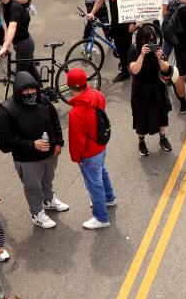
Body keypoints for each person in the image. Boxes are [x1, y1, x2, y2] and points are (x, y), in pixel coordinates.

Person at [0, 72, 67, 229]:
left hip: (49, 153)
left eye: (32, 91)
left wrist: (58, 142)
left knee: (48, 179)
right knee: (33, 187)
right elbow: (6, 139)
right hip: (26, 159)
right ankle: (37, 213)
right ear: (17, 92)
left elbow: (55, 121)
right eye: (25, 93)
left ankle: (49, 199)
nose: (29, 95)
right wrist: (32, 144)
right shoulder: (7, 110)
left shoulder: (43, 100)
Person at [65, 67, 117, 230]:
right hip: (101, 145)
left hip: (88, 153)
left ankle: (101, 217)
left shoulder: (76, 113)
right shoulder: (97, 95)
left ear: (71, 87)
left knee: (94, 185)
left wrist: (76, 158)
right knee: (102, 172)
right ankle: (109, 198)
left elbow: (77, 141)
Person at [128, 23, 173, 156]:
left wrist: (160, 58)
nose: (149, 43)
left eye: (152, 40)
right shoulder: (133, 51)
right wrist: (141, 55)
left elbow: (166, 69)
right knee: (142, 118)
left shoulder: (157, 50)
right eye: (146, 40)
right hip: (141, 90)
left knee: (162, 114)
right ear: (140, 40)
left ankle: (163, 138)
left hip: (157, 87)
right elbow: (134, 70)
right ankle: (141, 141)